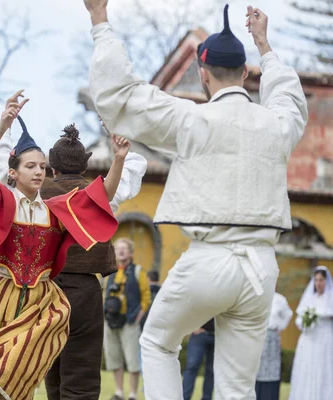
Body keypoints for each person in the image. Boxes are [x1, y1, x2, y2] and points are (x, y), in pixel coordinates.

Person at [83, 1, 309, 398]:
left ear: (203, 76)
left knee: (155, 342)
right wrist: (265, 46)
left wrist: (100, 20)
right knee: (237, 388)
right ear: (244, 73)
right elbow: (290, 99)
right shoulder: (276, 124)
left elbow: (121, 97)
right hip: (261, 268)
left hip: (211, 259)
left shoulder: (192, 120)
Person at [0, 90, 127, 399]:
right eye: (31, 166)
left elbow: (103, 194)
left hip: (42, 300)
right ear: (13, 172)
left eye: (42, 166)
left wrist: (119, 159)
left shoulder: (56, 208)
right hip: (2, 298)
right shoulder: (3, 201)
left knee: (22, 381)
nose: (39, 171)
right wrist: (3, 126)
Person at [0, 121, 147, 400]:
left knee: (51, 365)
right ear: (84, 167)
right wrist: (116, 130)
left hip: (44, 289)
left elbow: (0, 170)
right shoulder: (98, 196)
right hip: (85, 291)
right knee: (82, 371)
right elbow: (135, 166)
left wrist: (7, 131)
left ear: (51, 168)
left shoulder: (35, 195)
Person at [103, 238, 151, 400]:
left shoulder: (138, 271)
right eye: (118, 249)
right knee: (113, 357)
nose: (121, 251)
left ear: (131, 252)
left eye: (124, 249)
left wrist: (138, 317)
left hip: (130, 321)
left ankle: (132, 394)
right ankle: (118, 392)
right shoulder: (109, 271)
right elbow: (103, 294)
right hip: (110, 320)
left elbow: (146, 297)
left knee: (132, 360)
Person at [288, 266, 333, 400]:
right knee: (307, 368)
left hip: (324, 338)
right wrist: (305, 323)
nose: (318, 283)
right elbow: (299, 317)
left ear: (326, 281)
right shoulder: (309, 298)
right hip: (309, 338)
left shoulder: (330, 298)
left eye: (321, 280)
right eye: (316, 280)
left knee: (323, 367)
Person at [255, 291, 292, 400]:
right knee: (257, 370)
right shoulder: (256, 296)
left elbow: (288, 315)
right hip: (257, 336)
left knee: (271, 371)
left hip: (272, 338)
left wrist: (279, 327)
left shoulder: (280, 299)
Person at [182, 320, 215, 400]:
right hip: (199, 334)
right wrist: (192, 327)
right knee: (192, 366)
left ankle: (207, 398)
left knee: (211, 370)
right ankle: (184, 398)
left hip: (217, 335)